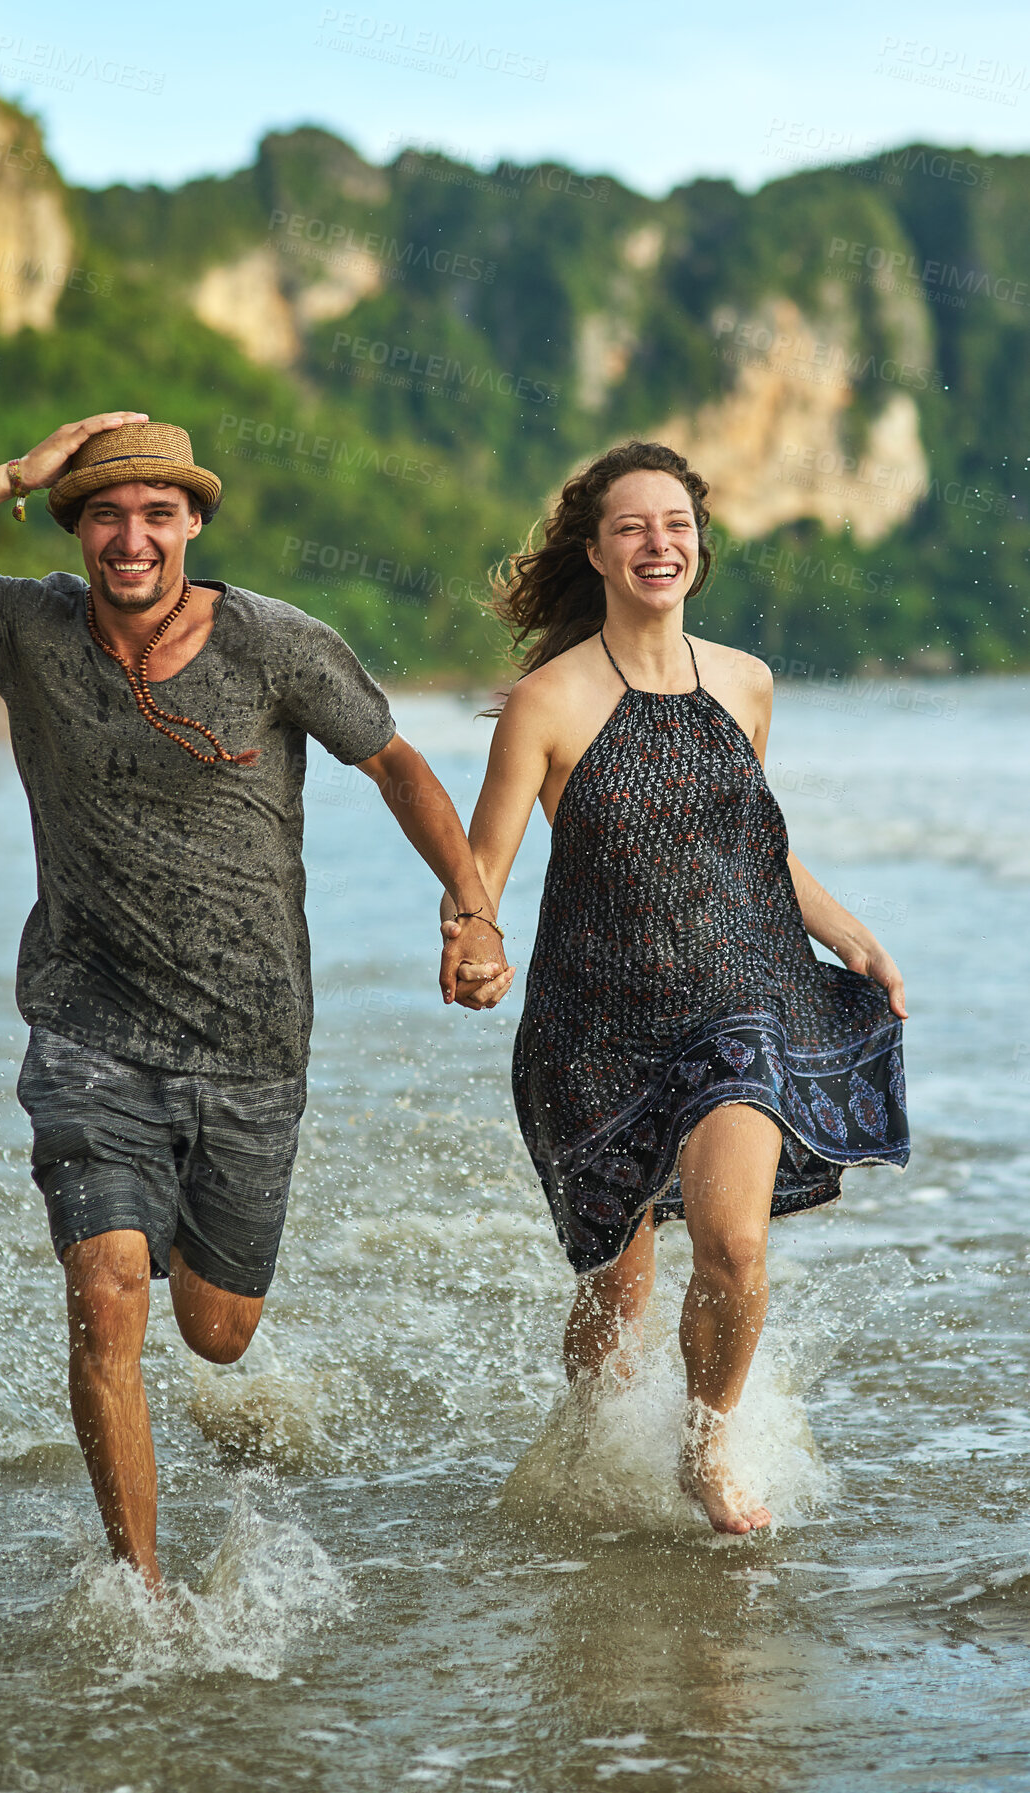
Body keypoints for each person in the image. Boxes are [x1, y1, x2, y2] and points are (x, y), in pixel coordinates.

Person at [0, 413, 505, 1588]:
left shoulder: (276, 645)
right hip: (86, 1027)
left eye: (155, 514)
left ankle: (167, 1222)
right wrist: (15, 475)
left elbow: (395, 762)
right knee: (106, 1291)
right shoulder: (23, 626)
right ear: (78, 527)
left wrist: (472, 906)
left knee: (217, 1333)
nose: (130, 536)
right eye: (104, 513)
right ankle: (142, 1586)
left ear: (191, 523)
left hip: (250, 1038)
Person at [443, 440, 910, 1535]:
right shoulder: (546, 703)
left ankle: (708, 1441)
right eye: (632, 527)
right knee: (618, 1292)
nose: (659, 543)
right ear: (597, 552)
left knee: (734, 1244)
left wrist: (852, 937)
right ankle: (591, 1438)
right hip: (593, 1020)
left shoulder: (743, 681)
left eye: (676, 524)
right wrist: (471, 940)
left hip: (739, 997)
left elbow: (753, 844)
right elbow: (483, 871)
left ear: (697, 545)